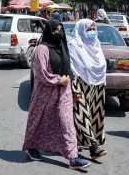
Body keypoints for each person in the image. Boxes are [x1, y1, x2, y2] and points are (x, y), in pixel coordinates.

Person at [22, 20, 91, 170]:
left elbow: (68, 70)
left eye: (60, 29)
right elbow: (42, 75)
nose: (58, 32)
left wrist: (73, 89)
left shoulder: (62, 47)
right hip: (45, 92)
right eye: (55, 29)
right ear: (48, 31)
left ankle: (73, 158)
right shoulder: (42, 49)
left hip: (64, 92)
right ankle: (31, 146)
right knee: (38, 120)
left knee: (66, 122)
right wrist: (60, 80)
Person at [68, 19, 107, 159]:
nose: (92, 31)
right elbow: (72, 68)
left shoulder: (96, 44)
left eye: (93, 28)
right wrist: (74, 89)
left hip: (97, 85)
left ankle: (81, 145)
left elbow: (101, 64)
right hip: (80, 84)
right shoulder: (74, 45)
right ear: (81, 30)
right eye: (89, 29)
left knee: (93, 117)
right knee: (81, 116)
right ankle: (93, 147)